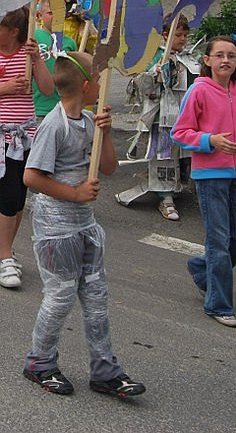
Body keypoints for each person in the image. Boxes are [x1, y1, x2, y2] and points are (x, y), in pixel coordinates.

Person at [22, 51, 146, 398]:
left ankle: (105, 370)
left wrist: (105, 133)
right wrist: (74, 194)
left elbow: (107, 168)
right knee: (60, 296)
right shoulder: (54, 125)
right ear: (88, 85)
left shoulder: (90, 121)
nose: (104, 87)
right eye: (101, 81)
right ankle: (39, 363)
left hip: (84, 224)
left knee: (96, 297)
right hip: (55, 228)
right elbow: (31, 177)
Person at [171, 35, 236, 327]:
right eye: (219, 55)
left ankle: (202, 270)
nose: (225, 60)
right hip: (209, 175)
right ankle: (218, 304)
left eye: (231, 55)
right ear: (207, 60)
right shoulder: (198, 90)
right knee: (218, 240)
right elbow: (180, 133)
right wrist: (210, 141)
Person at [116, 13, 199, 220]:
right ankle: (165, 198)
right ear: (165, 35)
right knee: (164, 155)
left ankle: (177, 188)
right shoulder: (154, 56)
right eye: (178, 35)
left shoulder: (189, 57)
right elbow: (142, 86)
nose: (182, 39)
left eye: (185, 35)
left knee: (183, 154)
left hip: (185, 116)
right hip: (162, 116)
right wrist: (156, 74)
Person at [0, 7, 54, 289]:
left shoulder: (27, 54)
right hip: (1, 137)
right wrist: (6, 88)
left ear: (13, 31)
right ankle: (5, 256)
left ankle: (5, 251)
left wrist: (38, 60)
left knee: (19, 196)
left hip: (26, 135)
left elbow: (47, 89)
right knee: (8, 195)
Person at [33, 0, 78, 122]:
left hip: (62, 107)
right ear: (40, 15)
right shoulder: (33, 37)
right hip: (38, 106)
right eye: (50, 13)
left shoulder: (69, 43)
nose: (56, 17)